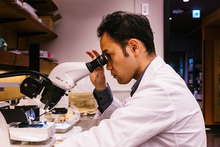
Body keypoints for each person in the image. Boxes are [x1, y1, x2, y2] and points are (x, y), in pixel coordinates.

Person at [57, 11, 206, 147]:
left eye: (109, 56)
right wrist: (101, 88)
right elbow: (126, 118)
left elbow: (110, 137)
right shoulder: (155, 81)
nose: (107, 67)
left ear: (134, 47)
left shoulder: (161, 88)